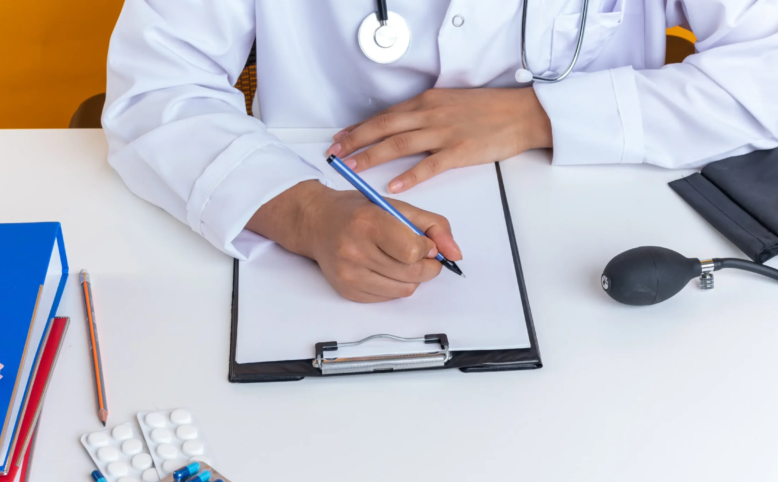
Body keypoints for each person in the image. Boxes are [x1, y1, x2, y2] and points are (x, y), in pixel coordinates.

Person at [102, 1, 778, 303]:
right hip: (319, 219)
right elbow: (157, 86)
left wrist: (540, 114)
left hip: (594, 233)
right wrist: (303, 213)